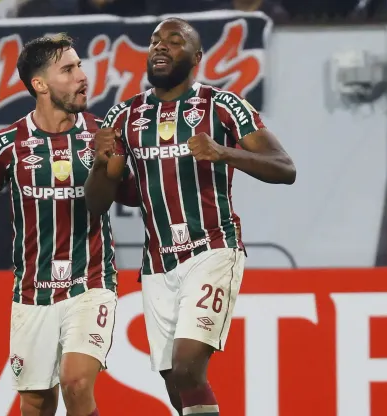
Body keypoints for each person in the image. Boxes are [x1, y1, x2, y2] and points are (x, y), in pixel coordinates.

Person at [84, 18, 296, 416]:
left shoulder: (222, 105)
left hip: (212, 249)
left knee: (186, 366)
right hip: (158, 262)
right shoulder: (124, 115)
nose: (160, 47)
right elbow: (99, 204)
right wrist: (100, 165)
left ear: (197, 57)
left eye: (174, 41)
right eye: (155, 42)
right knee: (172, 376)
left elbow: (285, 167)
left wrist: (225, 152)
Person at [0, 33, 139, 416]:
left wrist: (113, 168)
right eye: (69, 69)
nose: (82, 76)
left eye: (79, 65)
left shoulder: (101, 134)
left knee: (77, 383)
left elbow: (130, 195)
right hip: (32, 292)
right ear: (40, 84)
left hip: (90, 281)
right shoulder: (8, 143)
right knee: (35, 403)